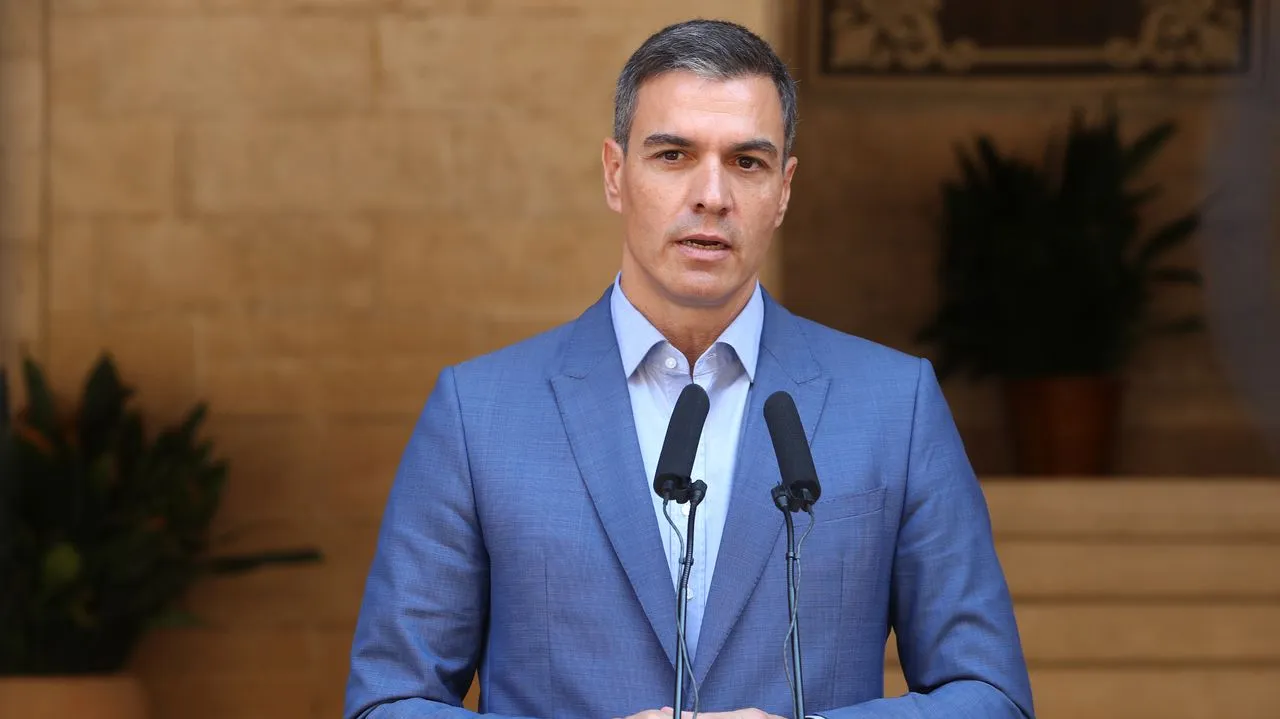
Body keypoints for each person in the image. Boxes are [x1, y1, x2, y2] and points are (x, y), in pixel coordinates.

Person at [344, 18, 1034, 719]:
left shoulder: (895, 404)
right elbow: (389, 702)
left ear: (785, 189)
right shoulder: (478, 413)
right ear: (615, 174)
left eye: (747, 162)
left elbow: (991, 697)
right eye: (673, 155)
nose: (711, 194)